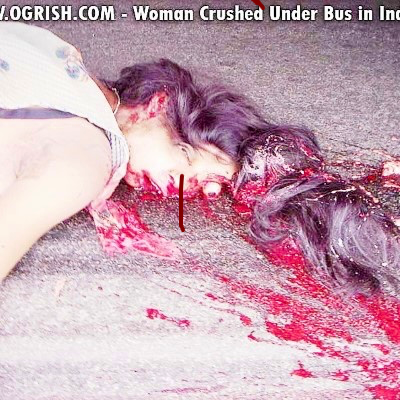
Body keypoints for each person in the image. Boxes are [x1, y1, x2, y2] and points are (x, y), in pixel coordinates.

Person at [1, 23, 399, 296]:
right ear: (156, 105)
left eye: (208, 186)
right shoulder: (85, 157)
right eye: (185, 156)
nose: (177, 188)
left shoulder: (50, 50)